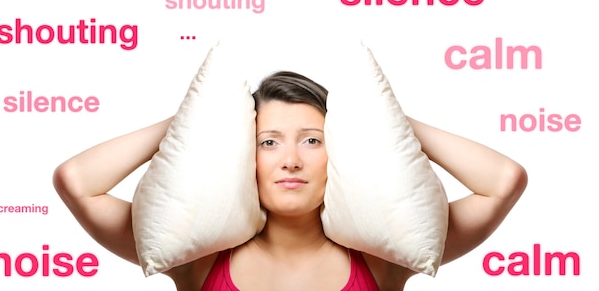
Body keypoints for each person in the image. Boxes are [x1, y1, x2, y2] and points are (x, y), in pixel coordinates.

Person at [53, 71, 528, 291]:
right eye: (268, 142)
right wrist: (197, 122)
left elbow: (503, 181)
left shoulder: (383, 262)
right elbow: (77, 181)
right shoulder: (196, 262)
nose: (292, 161)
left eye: (313, 141)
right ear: (242, 154)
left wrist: (382, 122)